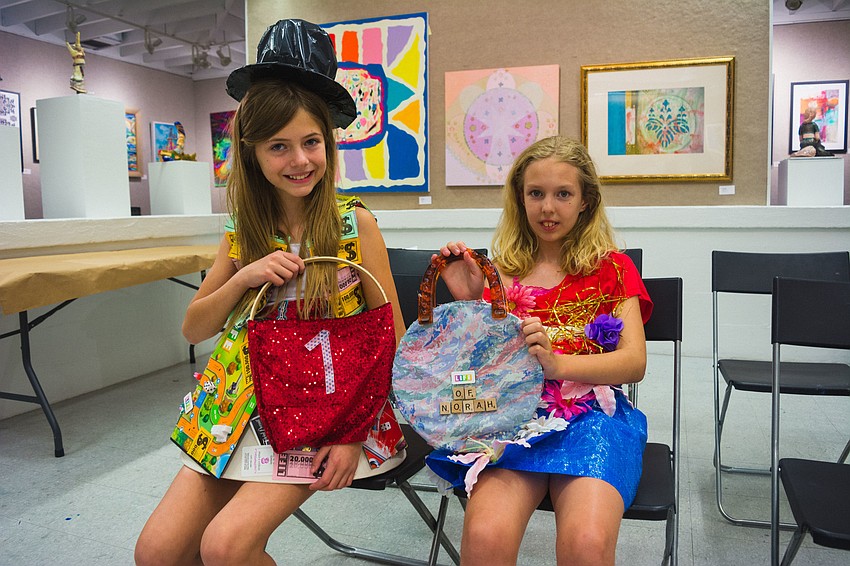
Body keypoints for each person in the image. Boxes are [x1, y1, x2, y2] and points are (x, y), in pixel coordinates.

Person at [135, 19, 406, 566]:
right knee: (157, 553)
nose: (299, 160)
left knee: (227, 547)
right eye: (279, 147)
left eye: (310, 143)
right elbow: (194, 328)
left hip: (328, 411)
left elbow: (392, 341)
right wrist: (242, 276)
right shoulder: (242, 232)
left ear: (328, 143)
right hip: (238, 407)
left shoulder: (355, 226)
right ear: (254, 155)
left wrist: (354, 432)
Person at [427, 136, 653, 566]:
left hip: (592, 420)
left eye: (563, 194)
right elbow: (477, 370)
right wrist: (470, 304)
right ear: (520, 198)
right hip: (515, 417)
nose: (548, 207)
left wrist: (557, 364)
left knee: (586, 544)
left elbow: (634, 362)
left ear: (585, 200)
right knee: (483, 535)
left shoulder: (613, 269)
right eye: (536, 194)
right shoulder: (501, 273)